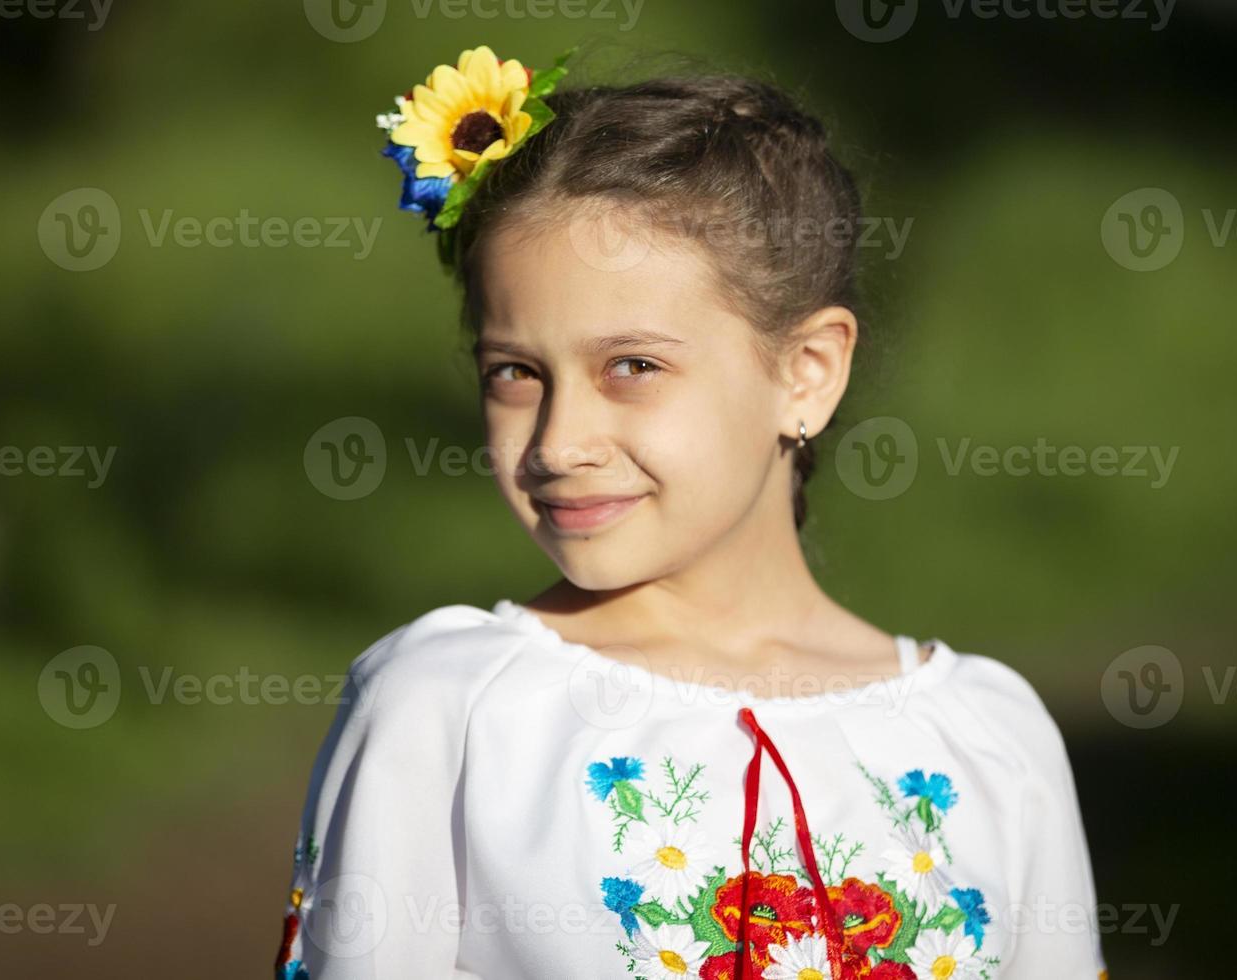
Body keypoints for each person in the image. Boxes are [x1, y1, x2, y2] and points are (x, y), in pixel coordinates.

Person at [274, 44, 1108, 980]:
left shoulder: (991, 738)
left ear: (807, 372)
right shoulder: (452, 710)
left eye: (632, 366)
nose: (558, 442)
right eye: (515, 372)